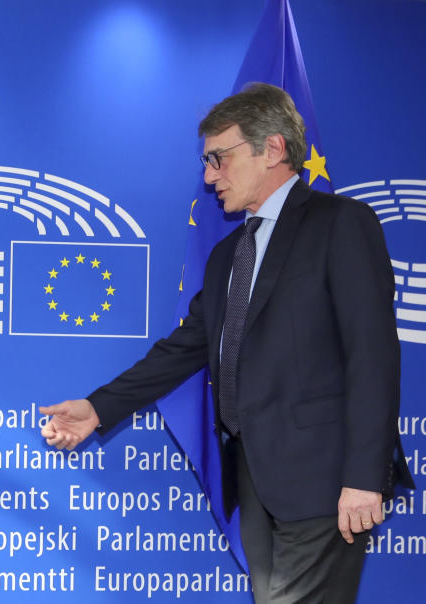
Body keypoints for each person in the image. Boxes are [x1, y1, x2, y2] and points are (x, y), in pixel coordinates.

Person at [40, 83, 414, 603]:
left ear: (274, 149)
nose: (209, 174)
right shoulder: (226, 258)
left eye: (219, 158)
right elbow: (182, 350)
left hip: (328, 481)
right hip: (257, 485)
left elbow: (372, 355)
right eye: (207, 161)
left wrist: (363, 477)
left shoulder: (341, 225)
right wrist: (97, 408)